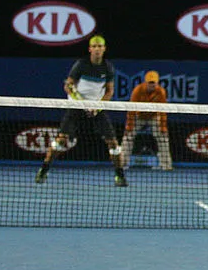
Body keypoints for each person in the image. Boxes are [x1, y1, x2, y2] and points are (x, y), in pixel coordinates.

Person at [35, 35, 127, 187]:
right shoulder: (81, 65)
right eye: (94, 46)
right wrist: (81, 102)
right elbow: (68, 86)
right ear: (90, 49)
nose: (97, 49)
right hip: (76, 107)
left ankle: (120, 175)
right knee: (61, 140)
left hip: (97, 109)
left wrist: (97, 107)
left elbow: (109, 91)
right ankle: (44, 170)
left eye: (100, 46)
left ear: (104, 49)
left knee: (113, 143)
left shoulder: (108, 67)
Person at [120, 70, 173, 172]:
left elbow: (163, 111)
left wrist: (163, 127)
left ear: (157, 83)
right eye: (150, 83)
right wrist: (129, 126)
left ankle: (166, 165)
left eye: (154, 83)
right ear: (146, 82)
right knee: (128, 137)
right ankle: (122, 163)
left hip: (153, 117)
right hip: (138, 117)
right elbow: (131, 110)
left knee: (163, 138)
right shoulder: (138, 90)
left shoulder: (161, 92)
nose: (152, 85)